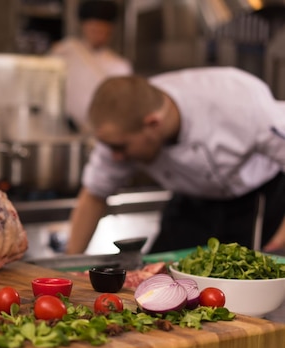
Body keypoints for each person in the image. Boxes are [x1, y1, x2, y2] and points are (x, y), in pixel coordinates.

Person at [66, 67, 285, 255]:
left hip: (258, 200)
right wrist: (67, 267)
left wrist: (278, 245)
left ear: (153, 124)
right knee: (157, 281)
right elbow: (93, 195)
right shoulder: (121, 126)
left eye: (120, 148)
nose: (115, 157)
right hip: (190, 203)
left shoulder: (240, 102)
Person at [49, 0, 131, 133]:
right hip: (63, 128)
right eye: (95, 30)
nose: (99, 35)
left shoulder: (120, 65)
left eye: (104, 31)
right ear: (83, 26)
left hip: (101, 131)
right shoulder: (66, 51)